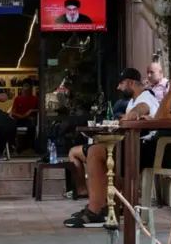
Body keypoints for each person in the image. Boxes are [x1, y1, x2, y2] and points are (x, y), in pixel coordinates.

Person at [64, 68, 160, 228]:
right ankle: (101, 206)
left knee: (96, 152)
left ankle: (96, 212)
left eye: (121, 83)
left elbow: (142, 108)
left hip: (143, 150)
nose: (118, 88)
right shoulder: (132, 101)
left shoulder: (146, 97)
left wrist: (133, 114)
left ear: (130, 83)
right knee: (98, 150)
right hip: (133, 147)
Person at [10, 78, 39, 152]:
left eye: (29, 86)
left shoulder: (35, 98)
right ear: (22, 87)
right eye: (25, 86)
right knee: (11, 124)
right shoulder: (18, 99)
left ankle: (32, 146)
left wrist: (31, 111)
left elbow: (41, 109)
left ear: (31, 88)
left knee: (32, 124)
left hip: (32, 120)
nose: (27, 88)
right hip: (20, 119)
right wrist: (23, 116)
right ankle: (14, 146)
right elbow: (13, 112)